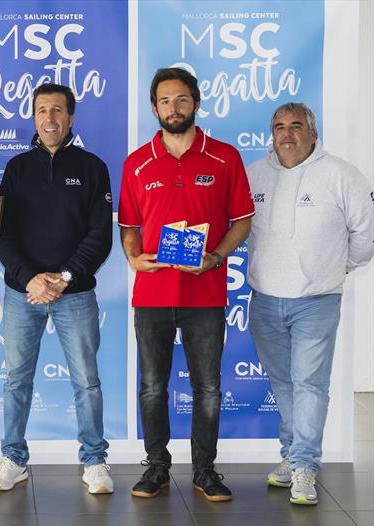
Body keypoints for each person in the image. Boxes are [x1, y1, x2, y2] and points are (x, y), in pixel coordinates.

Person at [118, 67, 255, 502]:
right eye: (164, 100)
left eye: (181, 99)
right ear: (154, 107)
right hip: (153, 294)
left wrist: (216, 256)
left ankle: (205, 470)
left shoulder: (224, 157)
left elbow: (242, 221)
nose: (172, 108)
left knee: (208, 388)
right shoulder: (136, 162)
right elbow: (129, 225)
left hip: (205, 294)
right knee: (153, 387)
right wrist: (132, 255)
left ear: (195, 103)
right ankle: (156, 467)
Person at [246, 102, 374, 505]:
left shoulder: (342, 175)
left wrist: (336, 269)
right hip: (265, 299)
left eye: (296, 126)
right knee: (283, 384)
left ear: (313, 133)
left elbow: (365, 235)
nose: (286, 134)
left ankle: (304, 466)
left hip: (317, 301)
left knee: (309, 384)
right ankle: (292, 454)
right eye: (279, 127)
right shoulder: (254, 175)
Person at [0, 83, 114, 494]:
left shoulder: (94, 167)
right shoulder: (17, 169)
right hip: (22, 294)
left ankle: (94, 461)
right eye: (42, 110)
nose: (50, 119)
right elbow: (3, 234)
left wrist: (64, 277)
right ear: (33, 117)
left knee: (87, 381)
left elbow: (100, 236)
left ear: (71, 117)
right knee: (16, 382)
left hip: (74, 294)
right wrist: (30, 278)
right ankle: (13, 457)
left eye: (58, 111)